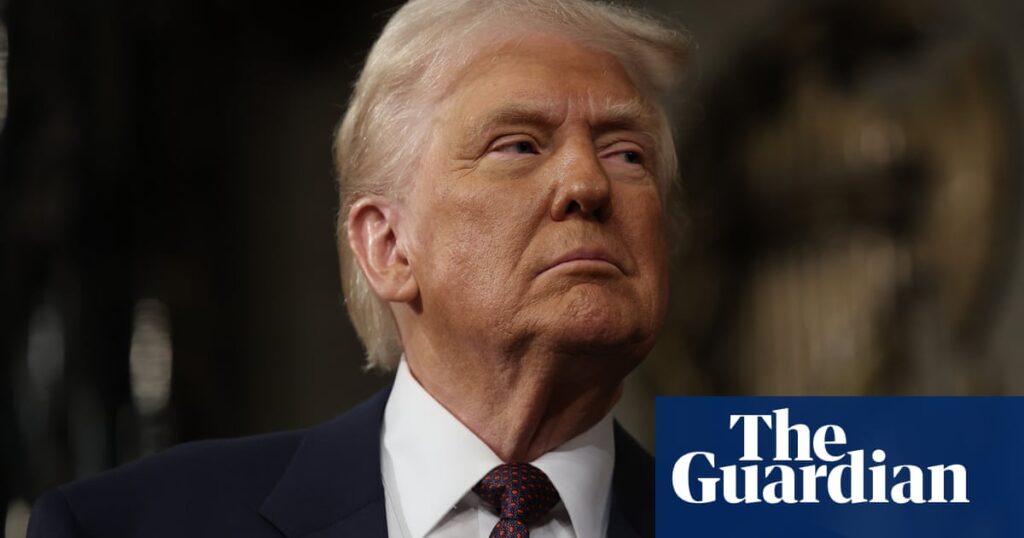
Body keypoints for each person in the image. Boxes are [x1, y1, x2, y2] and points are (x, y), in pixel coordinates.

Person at [27, 0, 689, 536]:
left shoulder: (742, 517)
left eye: (627, 155)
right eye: (518, 145)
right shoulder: (132, 524)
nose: (589, 184)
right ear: (389, 247)